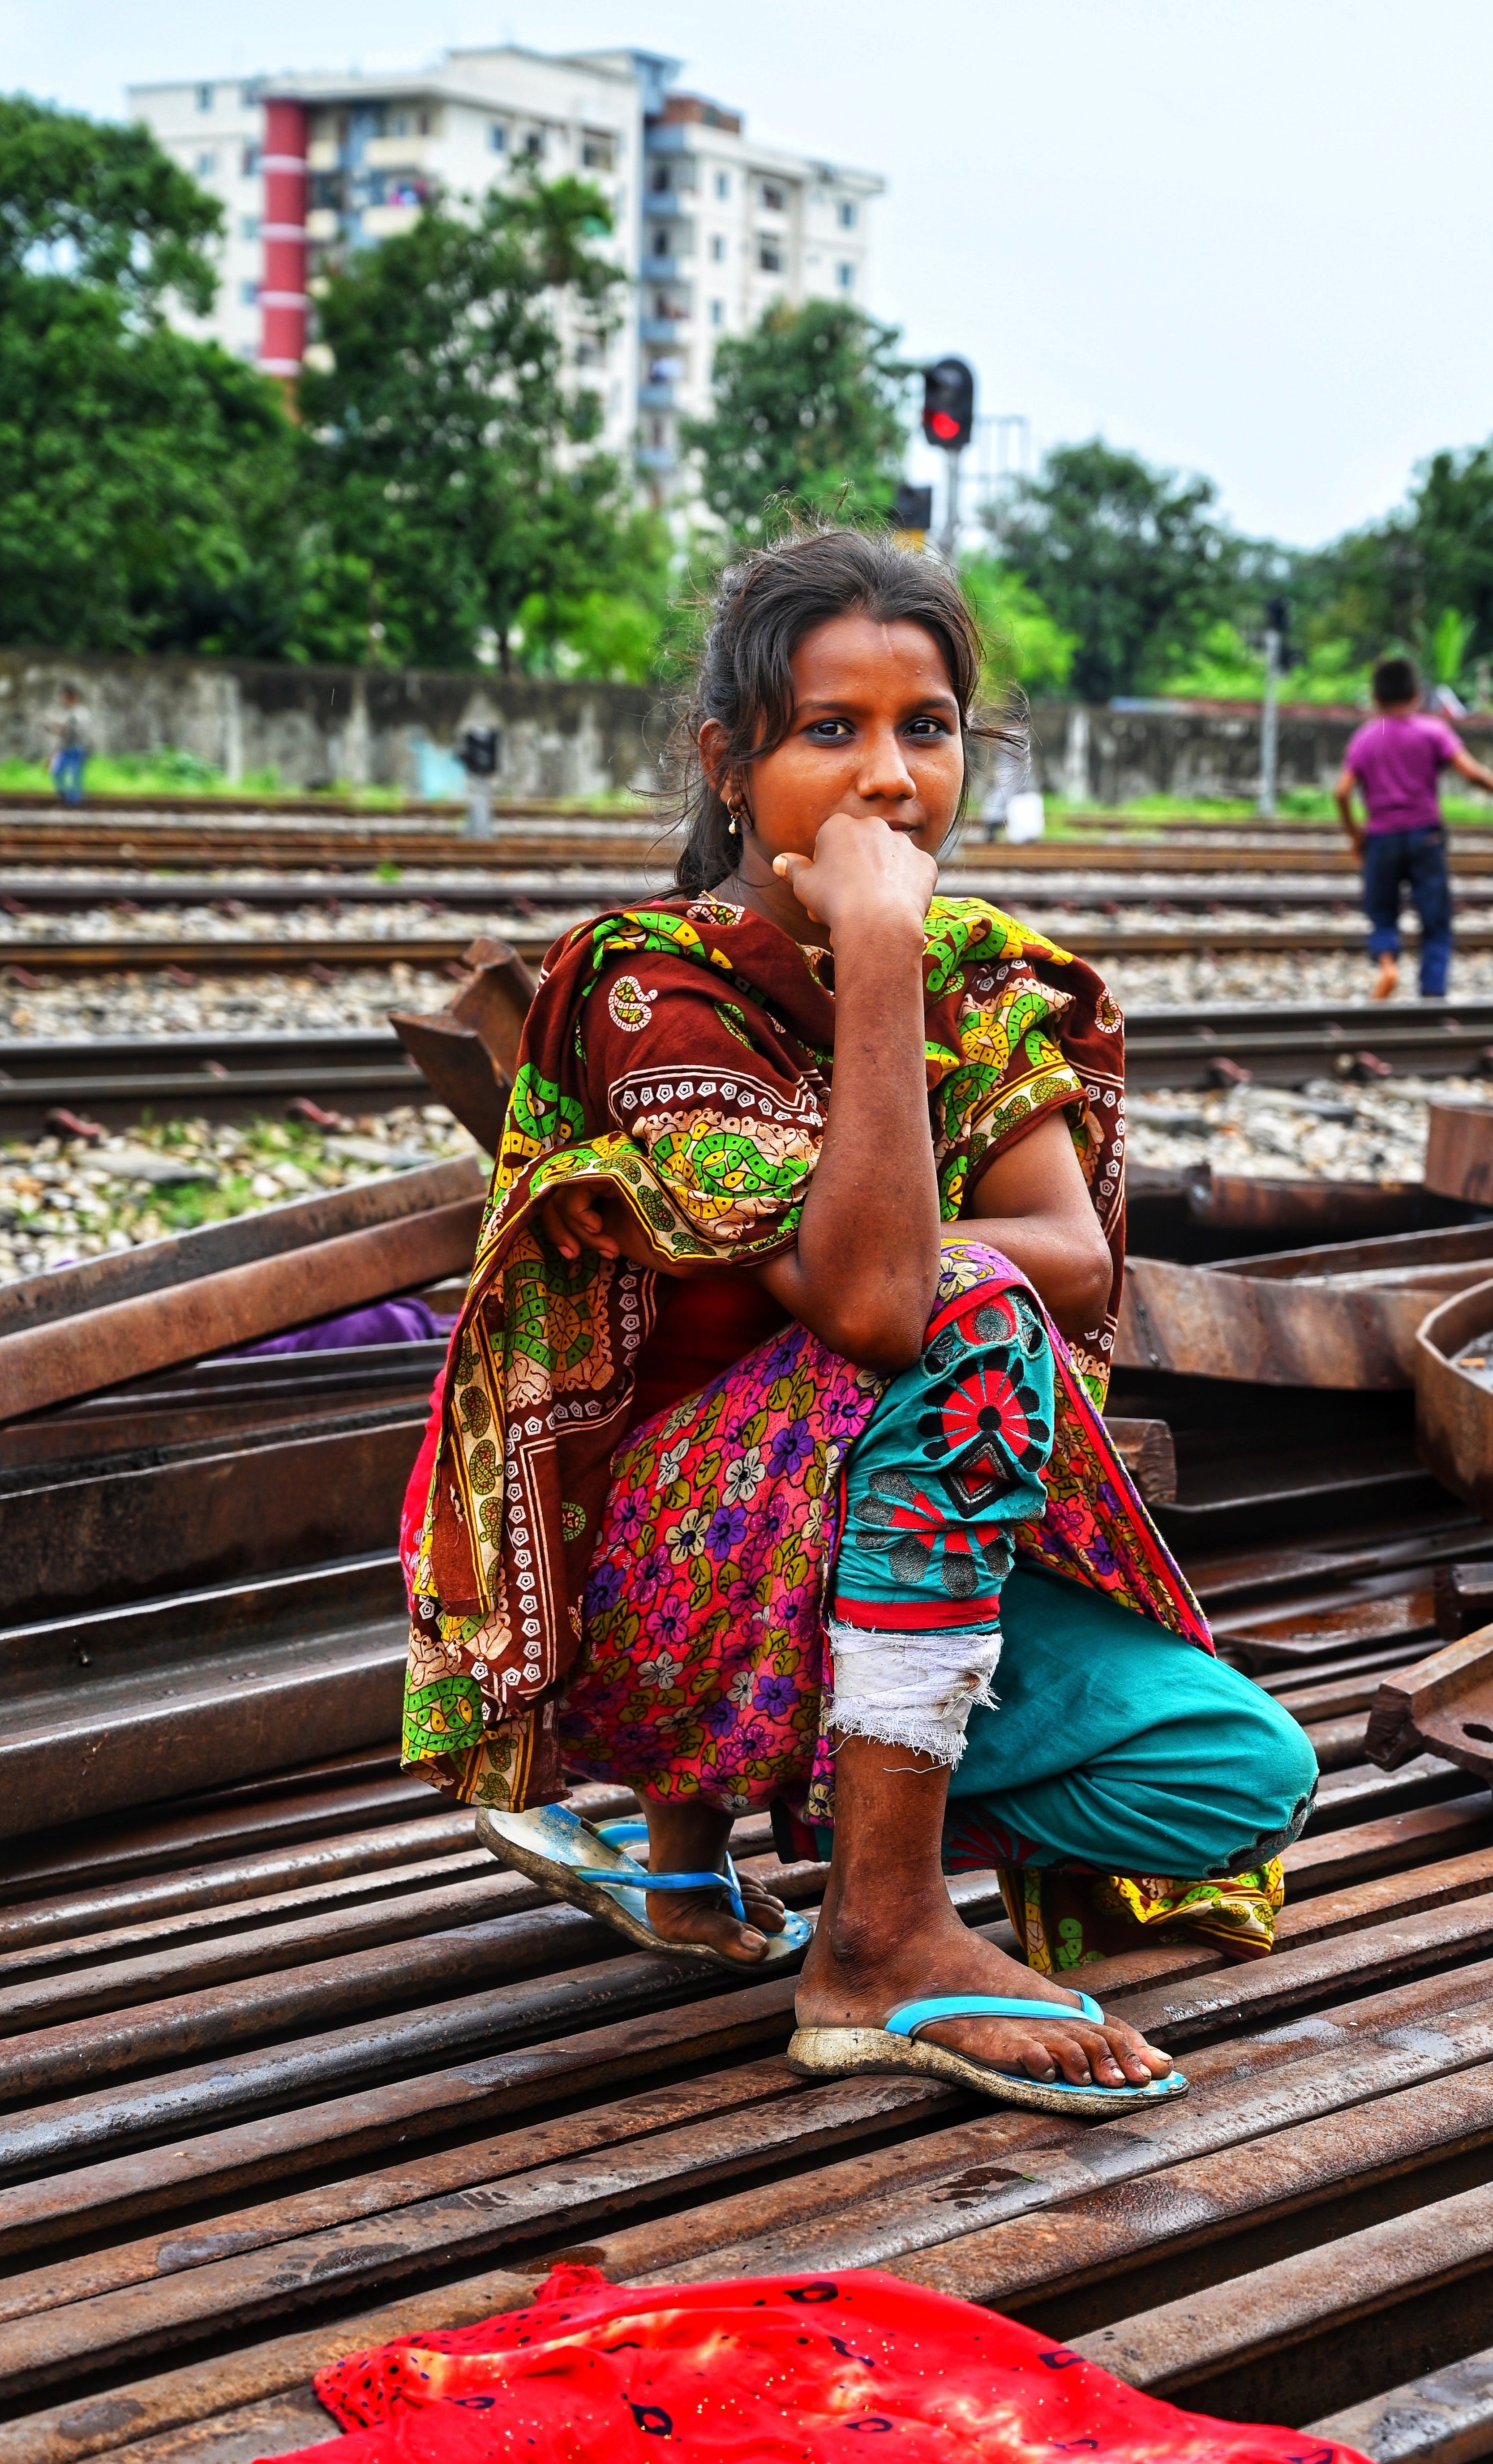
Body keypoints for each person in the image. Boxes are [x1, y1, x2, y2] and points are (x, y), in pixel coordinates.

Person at [399, 528, 1316, 2118]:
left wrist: (870, 1199)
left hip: (860, 1567)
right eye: (832, 730)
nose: (891, 778)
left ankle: (825, 1804)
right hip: (661, 1616)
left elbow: (1074, 1258)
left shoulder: (984, 975)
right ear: (729, 765)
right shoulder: (648, 991)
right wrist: (879, 959)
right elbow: (899, 1308)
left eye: (929, 726)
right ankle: (876, 1935)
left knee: (1241, 1775)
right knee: (954, 1315)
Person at [1334, 654, 1493, 1000]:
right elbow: (1472, 773)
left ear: (1376, 697)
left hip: (1380, 837)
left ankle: (1388, 965)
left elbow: (1342, 792)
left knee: (1382, 913)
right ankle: (1432, 996)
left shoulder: (1367, 736)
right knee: (1436, 922)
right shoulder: (1431, 730)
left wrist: (1355, 836)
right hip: (1426, 835)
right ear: (1416, 695)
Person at [46, 684, 91, 805]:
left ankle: (74, 803)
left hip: (76, 748)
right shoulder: (63, 712)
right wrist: (52, 754)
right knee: (56, 771)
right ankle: (64, 796)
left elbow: (82, 732)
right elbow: (58, 735)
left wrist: (65, 729)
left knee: (74, 776)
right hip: (63, 749)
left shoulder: (81, 713)